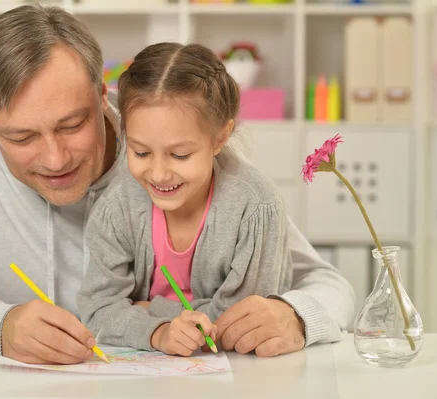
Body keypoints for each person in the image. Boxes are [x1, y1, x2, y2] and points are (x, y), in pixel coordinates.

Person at [0, 4, 354, 364]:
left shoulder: (164, 151)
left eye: (72, 124)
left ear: (101, 90)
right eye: (20, 136)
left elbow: (327, 284)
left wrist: (295, 316)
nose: (55, 157)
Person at [77, 42, 293, 356]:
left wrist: (154, 310)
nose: (159, 173)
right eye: (141, 152)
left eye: (180, 155)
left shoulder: (255, 208)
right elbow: (97, 311)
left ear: (220, 137)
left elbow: (242, 323)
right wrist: (159, 334)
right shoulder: (117, 206)